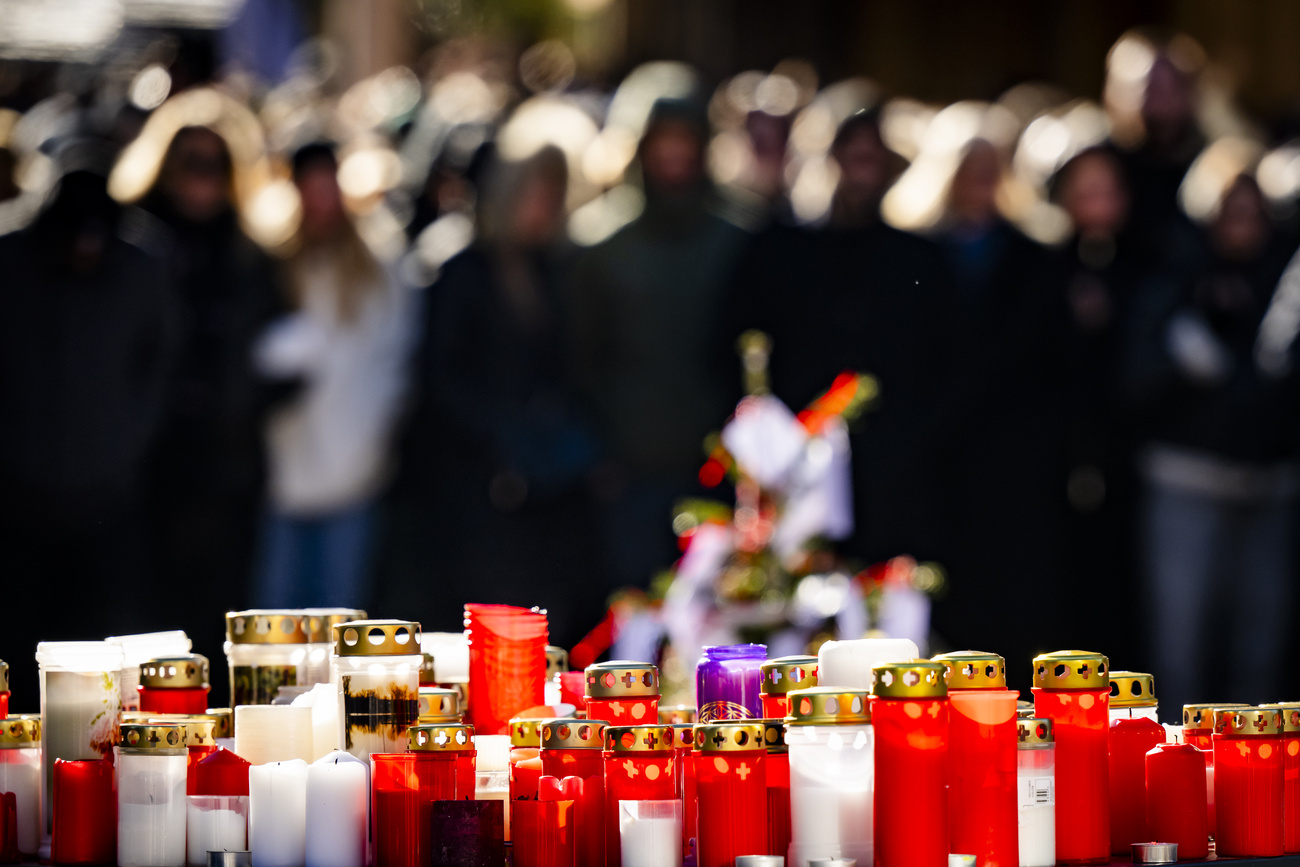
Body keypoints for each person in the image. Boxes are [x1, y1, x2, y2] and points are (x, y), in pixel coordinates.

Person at [383, 146, 603, 647]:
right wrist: (502, 441)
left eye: (552, 196)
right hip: (475, 488)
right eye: (533, 193)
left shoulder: (555, 271)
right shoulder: (462, 271)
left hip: (541, 488)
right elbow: (442, 381)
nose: (542, 208)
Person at [725, 109, 958, 574]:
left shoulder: (920, 262)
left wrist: (912, 436)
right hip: (793, 482)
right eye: (848, 158)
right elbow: (733, 352)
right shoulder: (775, 253)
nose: (859, 173)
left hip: (896, 485)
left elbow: (950, 364)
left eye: (872, 160)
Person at [0, 142, 175, 702]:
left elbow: (159, 368)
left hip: (108, 504)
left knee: (105, 655)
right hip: (18, 504)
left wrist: (125, 449)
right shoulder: (11, 265)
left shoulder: (140, 270)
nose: (84, 247)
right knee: (22, 652)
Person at [1126, 171, 1300, 710]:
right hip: (1187, 483)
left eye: (1254, 214)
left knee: (1261, 651)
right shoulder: (1173, 282)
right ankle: (1180, 776)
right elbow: (1133, 383)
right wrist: (1183, 356)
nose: (1242, 226)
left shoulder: (1285, 280)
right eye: (1231, 212)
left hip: (1270, 487)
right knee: (1180, 649)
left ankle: (1261, 780)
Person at [569, 98, 749, 589]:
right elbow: (580, 360)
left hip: (715, 470)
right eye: (662, 139)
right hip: (629, 471)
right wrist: (598, 454)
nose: (674, 152)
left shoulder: (737, 243)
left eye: (684, 138)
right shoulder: (600, 246)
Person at [253, 142, 416, 608]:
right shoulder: (272, 265)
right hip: (281, 473)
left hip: (354, 476)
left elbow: (392, 366)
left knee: (339, 615)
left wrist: (371, 444)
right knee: (277, 620)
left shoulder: (380, 271)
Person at [135, 124, 285, 627]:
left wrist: (246, 403)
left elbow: (278, 351)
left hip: (227, 469)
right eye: (189, 162)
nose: (201, 178)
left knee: (218, 614)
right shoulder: (132, 248)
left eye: (215, 166)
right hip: (143, 471)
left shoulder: (252, 257)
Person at [932, 138, 1067, 669]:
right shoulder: (923, 252)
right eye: (969, 171)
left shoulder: (1033, 257)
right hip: (944, 459)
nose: (979, 183)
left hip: (1014, 460)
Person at [1048, 146, 1145, 663]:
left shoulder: (1146, 265)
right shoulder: (1044, 267)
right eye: (1086, 192)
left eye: (1109, 191)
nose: (1099, 205)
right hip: (1060, 459)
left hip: (1131, 461)